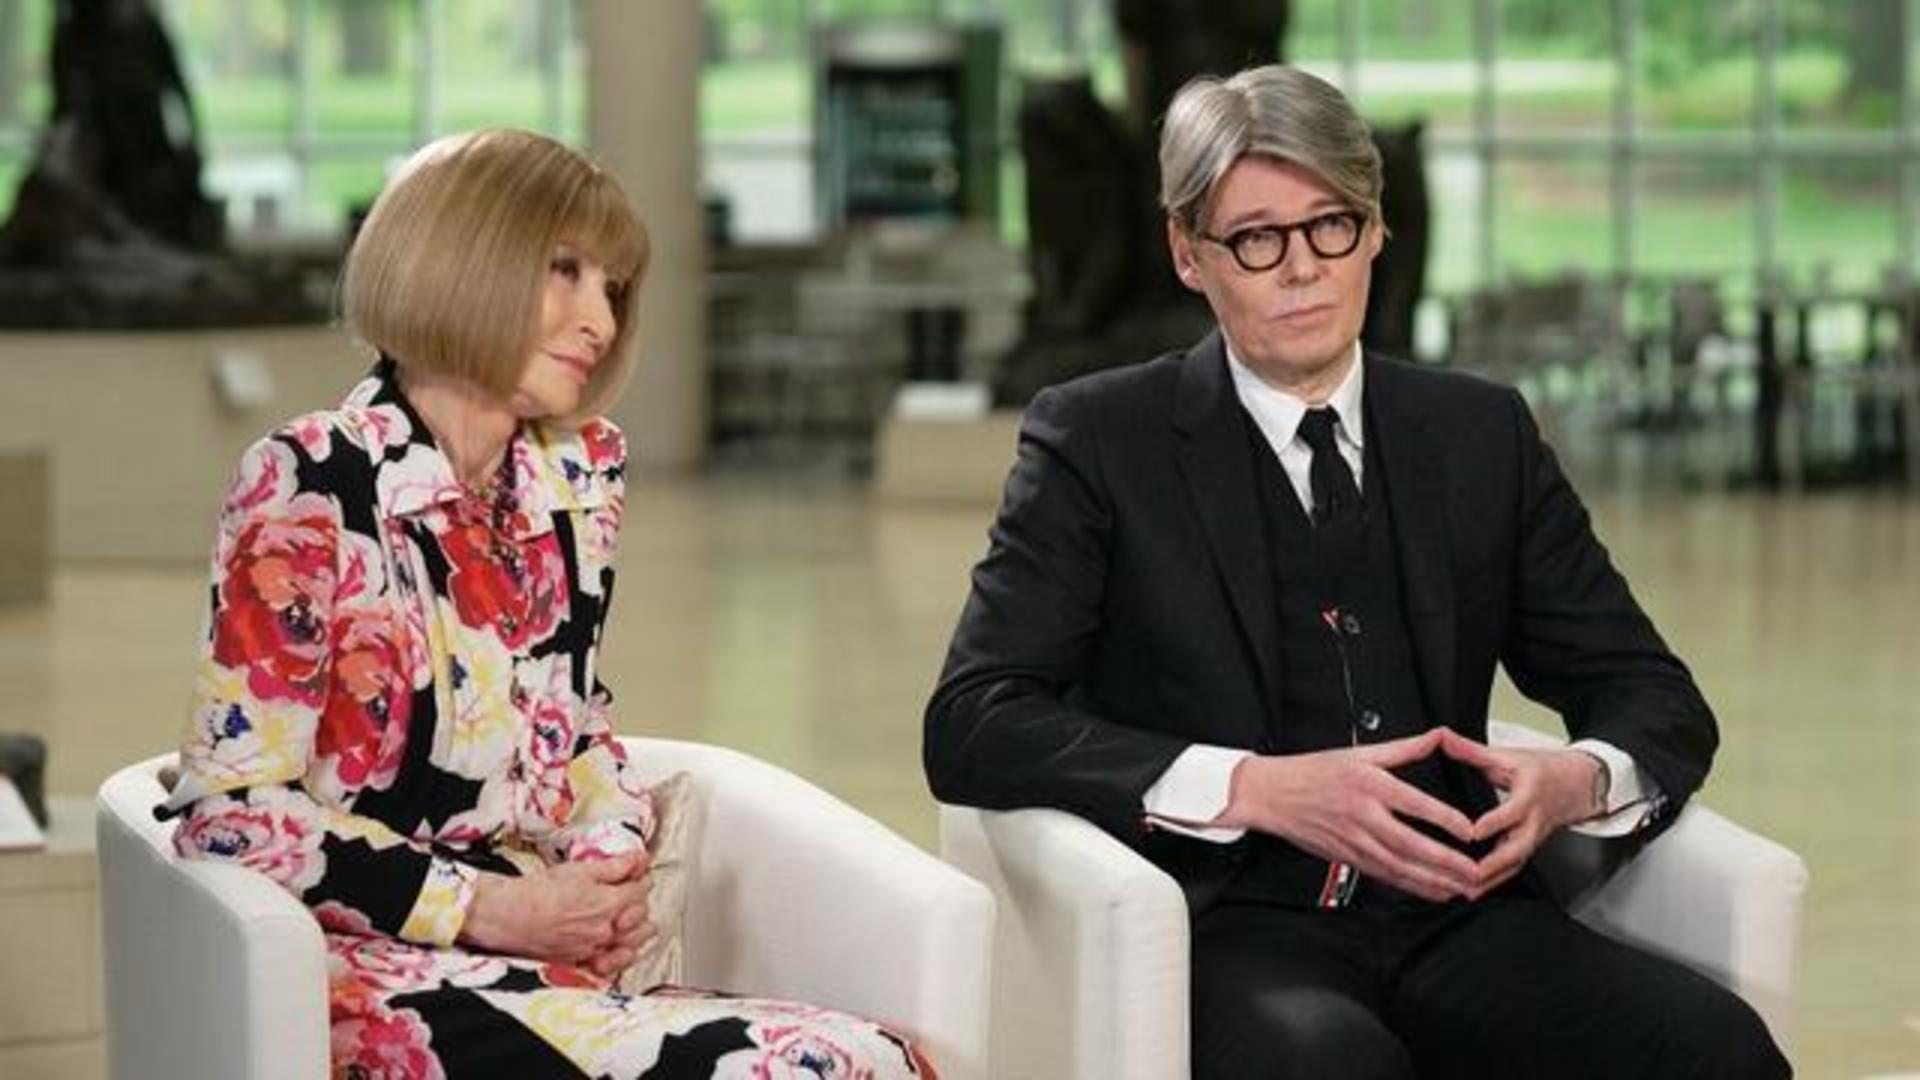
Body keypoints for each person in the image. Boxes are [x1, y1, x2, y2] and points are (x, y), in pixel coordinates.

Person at [924, 65, 1789, 1079]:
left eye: (1330, 225)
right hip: (1235, 930)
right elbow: (974, 719)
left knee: (1719, 1049)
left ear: (1377, 231)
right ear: (1189, 255)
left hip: (1461, 917)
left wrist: (1577, 779)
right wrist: (1252, 788)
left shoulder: (1480, 435)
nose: (1302, 269)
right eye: (1256, 238)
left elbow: (1652, 694)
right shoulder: (1097, 439)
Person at [165, 129, 936, 1079]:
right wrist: (485, 909)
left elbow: (571, 728)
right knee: (835, 1067)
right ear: (457, 255)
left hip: (539, 961)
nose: (600, 320)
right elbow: (231, 811)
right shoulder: (311, 478)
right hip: (368, 977)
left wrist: (608, 868)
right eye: (564, 271)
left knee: (880, 1056)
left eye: (612, 287)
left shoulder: (576, 477)